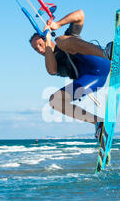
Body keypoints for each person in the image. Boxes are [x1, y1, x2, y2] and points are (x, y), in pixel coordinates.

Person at [29, 9, 112, 139]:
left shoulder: (65, 39)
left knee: (61, 41)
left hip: (101, 61)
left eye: (40, 44)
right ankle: (99, 123)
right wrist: (47, 42)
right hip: (93, 79)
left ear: (46, 39)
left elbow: (80, 14)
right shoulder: (52, 61)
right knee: (55, 101)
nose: (39, 49)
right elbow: (52, 71)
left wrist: (57, 24)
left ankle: (107, 52)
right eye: (35, 49)